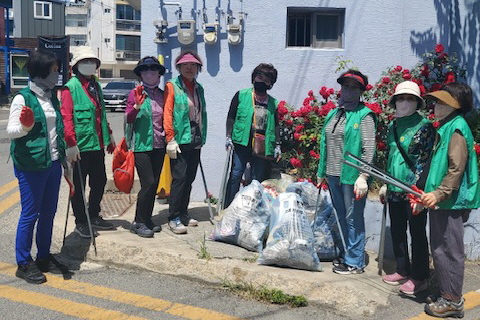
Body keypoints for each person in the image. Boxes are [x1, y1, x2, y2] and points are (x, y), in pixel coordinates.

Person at [7, 49, 69, 284]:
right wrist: (25, 126)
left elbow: (56, 130)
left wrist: (66, 152)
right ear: (42, 71)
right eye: (54, 70)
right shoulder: (23, 98)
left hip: (52, 163)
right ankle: (23, 262)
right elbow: (11, 132)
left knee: (49, 213)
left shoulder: (51, 96)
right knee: (30, 214)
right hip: (31, 165)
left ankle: (43, 256)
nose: (58, 74)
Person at [419, 83, 480, 318]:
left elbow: (456, 169)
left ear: (456, 106)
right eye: (437, 101)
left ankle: (453, 301)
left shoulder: (456, 129)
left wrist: (439, 193)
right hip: (444, 199)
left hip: (451, 200)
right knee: (440, 248)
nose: (436, 106)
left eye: (443, 102)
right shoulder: (447, 127)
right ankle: (447, 293)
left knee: (449, 249)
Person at [317, 69, 376, 275]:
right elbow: (325, 142)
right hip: (333, 174)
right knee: (341, 215)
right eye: (345, 86)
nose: (348, 91)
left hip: (352, 176)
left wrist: (364, 175)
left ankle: (355, 262)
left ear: (361, 91)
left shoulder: (364, 115)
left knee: (353, 217)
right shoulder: (334, 113)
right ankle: (347, 253)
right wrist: (321, 172)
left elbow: (369, 148)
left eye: (354, 87)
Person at [378, 81, 435, 294]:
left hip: (414, 192)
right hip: (394, 188)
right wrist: (385, 184)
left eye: (410, 98)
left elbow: (425, 161)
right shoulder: (393, 125)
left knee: (417, 233)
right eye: (401, 98)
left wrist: (419, 193)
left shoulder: (425, 126)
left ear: (417, 102)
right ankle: (402, 269)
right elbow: (391, 156)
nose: (405, 102)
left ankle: (420, 276)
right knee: (398, 230)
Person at [61, 46, 116, 238]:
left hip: (96, 145)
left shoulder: (96, 85)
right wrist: (70, 143)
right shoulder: (71, 87)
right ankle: (81, 221)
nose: (89, 64)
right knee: (78, 186)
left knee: (99, 181)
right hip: (79, 147)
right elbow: (66, 117)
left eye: (92, 61)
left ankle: (93, 214)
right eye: (85, 61)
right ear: (76, 66)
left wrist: (109, 136)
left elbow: (100, 115)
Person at [224, 63, 281, 208]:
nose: (262, 81)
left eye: (267, 79)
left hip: (262, 145)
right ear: (254, 77)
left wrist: (278, 145)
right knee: (236, 175)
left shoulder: (273, 103)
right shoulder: (241, 95)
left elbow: (276, 125)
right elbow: (231, 117)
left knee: (257, 179)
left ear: (271, 84)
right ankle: (228, 207)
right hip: (241, 142)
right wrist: (228, 136)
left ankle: (252, 209)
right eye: (259, 76)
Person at [164, 51, 207, 234]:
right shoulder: (171, 86)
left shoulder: (199, 87)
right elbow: (168, 112)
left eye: (193, 65)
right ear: (179, 67)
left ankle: (183, 213)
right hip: (179, 140)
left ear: (198, 68)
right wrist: (170, 138)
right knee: (179, 179)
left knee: (189, 179)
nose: (189, 68)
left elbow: (201, 113)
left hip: (195, 138)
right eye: (185, 64)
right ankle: (173, 217)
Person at [126, 56, 167, 238]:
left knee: (155, 184)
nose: (149, 73)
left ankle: (147, 218)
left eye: (153, 69)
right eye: (145, 70)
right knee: (148, 183)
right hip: (142, 146)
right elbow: (128, 118)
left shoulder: (163, 94)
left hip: (160, 145)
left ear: (159, 74)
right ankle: (139, 221)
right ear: (140, 74)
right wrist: (136, 106)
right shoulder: (135, 93)